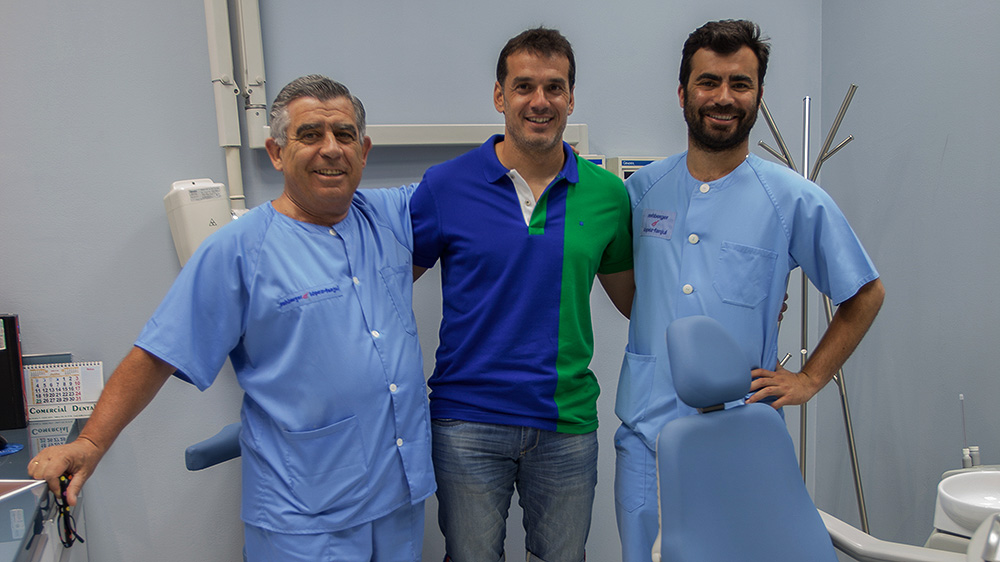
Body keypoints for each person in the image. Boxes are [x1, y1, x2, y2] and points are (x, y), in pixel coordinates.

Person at [27, 75, 435, 562]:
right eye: (309, 135)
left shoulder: (390, 216)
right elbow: (158, 354)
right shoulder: (240, 250)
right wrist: (91, 443)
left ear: (364, 150)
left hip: (400, 501)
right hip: (304, 518)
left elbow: (477, 184)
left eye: (344, 135)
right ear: (276, 152)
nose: (331, 149)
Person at [614, 20, 885, 562]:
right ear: (683, 92)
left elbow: (865, 293)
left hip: (742, 437)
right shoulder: (642, 191)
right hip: (646, 438)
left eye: (740, 83)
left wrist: (811, 377)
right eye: (708, 81)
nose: (723, 97)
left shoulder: (791, 197)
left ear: (758, 94)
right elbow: (634, 291)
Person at [410, 27, 634, 562]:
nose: (540, 101)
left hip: (565, 423)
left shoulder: (606, 195)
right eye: (524, 86)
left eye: (554, 88)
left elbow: (635, 302)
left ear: (571, 98)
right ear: (499, 96)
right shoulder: (445, 186)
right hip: (466, 420)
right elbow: (385, 288)